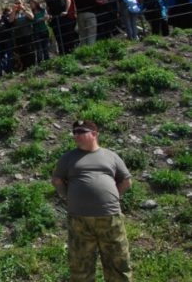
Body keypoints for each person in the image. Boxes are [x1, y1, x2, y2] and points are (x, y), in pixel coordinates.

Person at [52, 121, 133, 282]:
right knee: (80, 266)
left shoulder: (111, 156)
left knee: (118, 263)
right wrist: (69, 197)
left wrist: (111, 197)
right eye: (74, 132)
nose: (76, 135)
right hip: (79, 220)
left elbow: (126, 181)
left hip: (110, 218)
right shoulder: (68, 157)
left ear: (94, 134)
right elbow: (57, 180)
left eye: (81, 131)